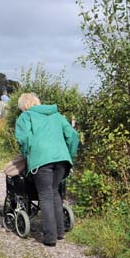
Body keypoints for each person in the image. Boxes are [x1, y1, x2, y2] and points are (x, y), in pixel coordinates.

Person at [14, 92, 79, 246]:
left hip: (41, 159)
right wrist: (69, 154)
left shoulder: (26, 117)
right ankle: (60, 231)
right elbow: (73, 135)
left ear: (24, 106)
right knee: (55, 192)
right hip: (62, 159)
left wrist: (28, 155)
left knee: (45, 195)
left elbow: (24, 139)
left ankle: (50, 237)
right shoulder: (56, 115)